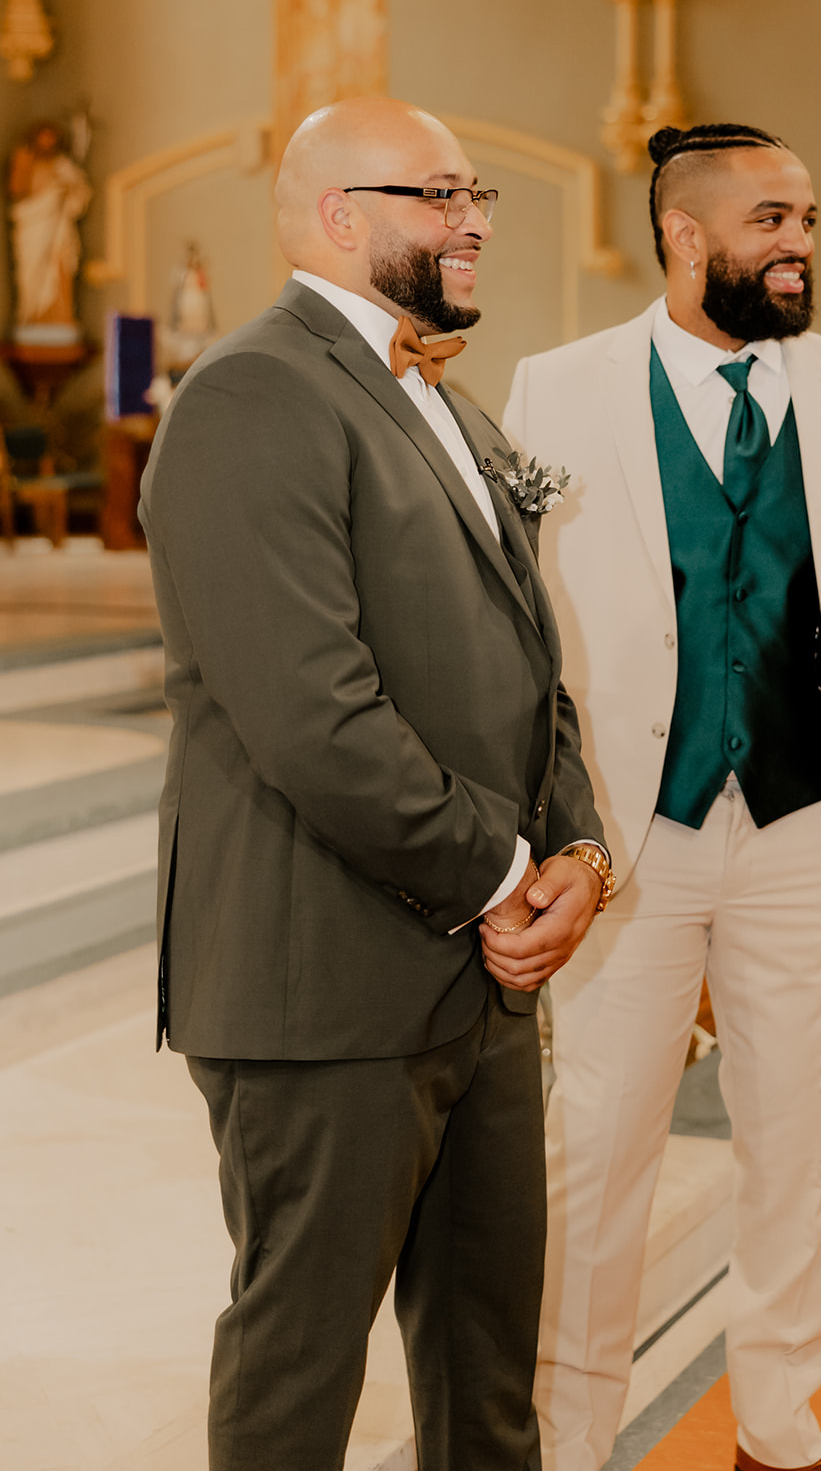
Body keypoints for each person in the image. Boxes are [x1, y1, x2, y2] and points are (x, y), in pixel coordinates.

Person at [138, 96, 611, 1471]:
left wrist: (577, 856)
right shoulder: (249, 396)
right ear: (340, 217)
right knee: (299, 1383)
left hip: (478, 977)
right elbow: (310, 717)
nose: (471, 220)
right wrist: (505, 877)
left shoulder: (443, 398)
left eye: (476, 195)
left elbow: (530, 663)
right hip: (322, 984)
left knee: (485, 1383)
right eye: (438, 193)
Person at [505, 122, 821, 1471]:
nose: (798, 247)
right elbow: (515, 621)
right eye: (769, 221)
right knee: (596, 1150)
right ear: (683, 235)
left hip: (805, 826)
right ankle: (571, 1436)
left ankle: (774, 1421)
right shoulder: (557, 388)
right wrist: (548, 816)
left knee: (797, 1138)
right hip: (622, 840)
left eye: (806, 221)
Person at [7, 120, 92, 338]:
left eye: (51, 138)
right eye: (43, 138)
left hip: (58, 231)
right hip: (33, 228)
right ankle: (32, 314)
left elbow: (81, 193)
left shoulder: (62, 165)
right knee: (32, 274)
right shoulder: (26, 160)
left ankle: (59, 319)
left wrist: (62, 190)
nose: (47, 142)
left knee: (59, 269)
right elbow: (17, 192)